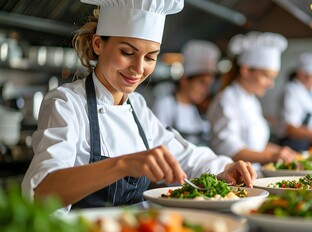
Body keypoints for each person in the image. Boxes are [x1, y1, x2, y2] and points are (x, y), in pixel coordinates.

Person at [21, 0, 256, 214]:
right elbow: (40, 193)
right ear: (97, 45)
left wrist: (225, 167)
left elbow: (184, 154)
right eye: (127, 52)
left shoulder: (137, 107)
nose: (138, 69)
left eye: (150, 57)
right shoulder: (65, 103)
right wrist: (123, 164)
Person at [206, 31, 296, 176]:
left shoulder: (251, 100)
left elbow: (257, 145)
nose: (271, 84)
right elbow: (231, 150)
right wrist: (272, 156)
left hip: (253, 176)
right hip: (233, 181)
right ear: (246, 70)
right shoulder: (226, 99)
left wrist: (282, 152)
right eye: (266, 76)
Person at [152, 40, 220, 146]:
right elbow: (157, 141)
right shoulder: (166, 104)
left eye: (209, 85)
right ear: (184, 80)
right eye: (202, 83)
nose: (206, 90)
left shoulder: (199, 111)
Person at [275, 51, 312, 151]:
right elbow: (290, 128)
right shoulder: (291, 91)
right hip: (291, 147)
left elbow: (308, 126)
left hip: (303, 145)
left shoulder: (306, 93)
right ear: (302, 74)